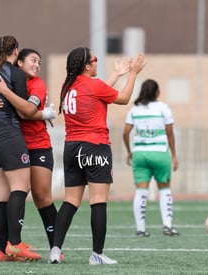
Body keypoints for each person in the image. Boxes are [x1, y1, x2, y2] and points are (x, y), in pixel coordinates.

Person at [47, 47, 146, 265]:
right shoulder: (93, 85)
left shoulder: (68, 85)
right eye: (94, 60)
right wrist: (132, 74)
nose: (97, 62)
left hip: (72, 148)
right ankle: (97, 254)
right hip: (95, 146)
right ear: (86, 66)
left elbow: (97, 91)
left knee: (70, 201)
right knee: (98, 201)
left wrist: (117, 74)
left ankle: (55, 250)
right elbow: (124, 98)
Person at [0, 48, 58, 261]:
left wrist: (43, 113)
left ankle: (56, 248)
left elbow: (26, 112)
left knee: (41, 196)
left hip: (36, 145)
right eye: (33, 60)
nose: (37, 65)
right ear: (18, 62)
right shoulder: (7, 79)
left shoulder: (36, 84)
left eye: (39, 61)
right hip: (10, 145)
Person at [122, 79, 179, 237]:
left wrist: (129, 151)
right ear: (157, 92)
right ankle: (167, 225)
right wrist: (173, 155)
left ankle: (141, 229)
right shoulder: (163, 108)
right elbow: (170, 133)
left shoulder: (134, 109)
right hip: (160, 153)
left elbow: (125, 132)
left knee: (141, 191)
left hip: (140, 154)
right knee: (165, 189)